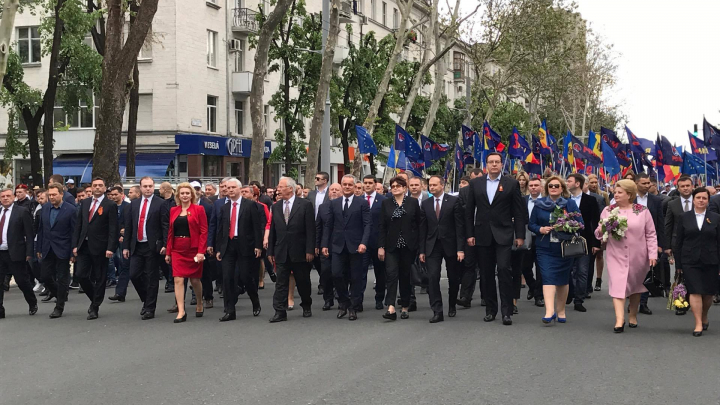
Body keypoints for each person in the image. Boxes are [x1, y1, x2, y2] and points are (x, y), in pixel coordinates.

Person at [464, 152, 526, 325]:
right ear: (486, 165)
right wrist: (469, 234)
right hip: (482, 234)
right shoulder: (476, 183)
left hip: (504, 233)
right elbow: (469, 211)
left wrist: (519, 235)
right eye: (491, 162)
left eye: (497, 162)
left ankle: (507, 311)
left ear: (501, 165)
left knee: (505, 269)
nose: (494, 165)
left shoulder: (511, 183)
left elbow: (518, 212)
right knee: (486, 273)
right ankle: (491, 310)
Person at [594, 179, 657, 333]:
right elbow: (598, 232)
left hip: (638, 255)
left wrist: (653, 253)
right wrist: (603, 228)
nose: (616, 194)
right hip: (616, 254)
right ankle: (619, 319)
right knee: (618, 284)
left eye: (619, 192)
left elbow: (650, 234)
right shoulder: (608, 210)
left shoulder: (642, 210)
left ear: (629, 194)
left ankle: (633, 315)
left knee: (635, 286)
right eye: (615, 192)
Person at [529, 176, 582, 324]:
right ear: (547, 189)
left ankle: (561, 310)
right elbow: (531, 224)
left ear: (562, 188)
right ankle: (549, 311)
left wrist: (566, 226)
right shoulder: (539, 204)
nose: (553, 188)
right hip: (545, 247)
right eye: (551, 186)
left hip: (564, 248)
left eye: (556, 186)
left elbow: (580, 223)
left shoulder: (570, 204)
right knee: (547, 277)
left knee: (562, 280)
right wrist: (540, 229)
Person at [322, 174, 371, 321]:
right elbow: (328, 225)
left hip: (356, 246)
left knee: (355, 278)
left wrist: (364, 242)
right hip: (337, 245)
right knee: (336, 274)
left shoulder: (362, 203)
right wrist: (325, 244)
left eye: (351, 185)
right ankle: (343, 302)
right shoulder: (334, 203)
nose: (348, 187)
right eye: (345, 184)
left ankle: (353, 307)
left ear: (354, 186)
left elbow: (367, 224)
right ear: (342, 185)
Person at [268, 177, 315, 322]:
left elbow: (310, 230)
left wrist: (310, 250)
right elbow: (273, 230)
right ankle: (280, 311)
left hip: (300, 251)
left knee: (303, 282)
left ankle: (306, 304)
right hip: (281, 250)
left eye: (281, 187)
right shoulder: (276, 206)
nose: (278, 189)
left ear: (290, 188)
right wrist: (270, 251)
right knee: (281, 283)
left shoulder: (305, 205)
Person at [674, 187, 720, 336]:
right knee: (694, 290)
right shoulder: (684, 217)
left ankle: (704, 315)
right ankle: (698, 323)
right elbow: (679, 242)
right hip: (690, 260)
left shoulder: (716, 217)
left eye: (704, 198)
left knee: (707, 293)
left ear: (708, 200)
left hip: (711, 260)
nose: (701, 200)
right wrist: (679, 265)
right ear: (693, 200)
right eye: (698, 198)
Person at [215, 179, 262, 321]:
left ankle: (255, 301)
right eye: (228, 188)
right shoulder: (224, 208)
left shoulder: (250, 205)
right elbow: (221, 229)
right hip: (228, 246)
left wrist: (258, 246)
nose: (230, 190)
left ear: (240, 189)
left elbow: (256, 227)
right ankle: (230, 310)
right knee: (227, 277)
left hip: (245, 245)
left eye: (233, 187)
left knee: (246, 277)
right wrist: (218, 248)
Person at [72, 177, 118, 320]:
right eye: (95, 185)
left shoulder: (110, 205)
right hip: (84, 245)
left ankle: (95, 307)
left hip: (101, 247)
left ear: (104, 188)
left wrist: (111, 247)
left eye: (100, 185)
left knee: (100, 277)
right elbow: (78, 225)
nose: (97, 187)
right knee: (81, 275)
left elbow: (113, 228)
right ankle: (95, 298)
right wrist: (75, 244)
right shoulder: (85, 203)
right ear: (91, 188)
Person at [419, 176, 464, 323]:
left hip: (450, 245)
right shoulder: (425, 204)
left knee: (453, 277)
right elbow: (423, 229)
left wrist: (460, 249)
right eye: (429, 185)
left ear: (442, 185)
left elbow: (459, 226)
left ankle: (452, 304)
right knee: (432, 277)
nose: (431, 188)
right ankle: (437, 310)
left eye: (434, 185)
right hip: (432, 246)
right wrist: (422, 250)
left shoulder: (453, 201)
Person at [378, 176, 423, 320]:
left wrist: (419, 246)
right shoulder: (386, 203)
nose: (395, 188)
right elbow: (382, 226)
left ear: (405, 188)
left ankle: (405, 306)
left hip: (408, 246)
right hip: (391, 246)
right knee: (391, 275)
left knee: (405, 276)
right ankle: (390, 307)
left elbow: (419, 225)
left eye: (398, 186)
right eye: (393, 186)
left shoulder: (412, 203)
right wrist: (381, 246)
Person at [165, 183, 208, 323]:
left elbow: (203, 231)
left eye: (187, 193)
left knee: (195, 280)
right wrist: (168, 252)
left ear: (192, 195)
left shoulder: (199, 209)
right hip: (177, 248)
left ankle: (199, 302)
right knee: (178, 279)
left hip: (193, 249)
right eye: (182, 193)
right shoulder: (173, 210)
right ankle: (181, 311)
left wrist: (201, 251)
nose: (184, 195)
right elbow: (170, 232)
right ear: (178, 195)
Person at [123, 177, 164, 320]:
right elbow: (129, 227)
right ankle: (146, 300)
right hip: (137, 245)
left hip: (152, 246)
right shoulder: (133, 205)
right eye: (145, 186)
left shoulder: (161, 204)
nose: (148, 188)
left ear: (154, 187)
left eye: (150, 186)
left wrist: (164, 244)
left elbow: (164, 226)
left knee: (152, 277)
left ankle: (150, 308)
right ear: (140, 188)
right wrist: (126, 246)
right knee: (134, 274)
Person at [36, 183, 77, 319]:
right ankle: (60, 294)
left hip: (63, 249)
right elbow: (41, 230)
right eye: (50, 195)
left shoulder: (71, 210)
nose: (52, 197)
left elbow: (73, 232)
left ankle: (59, 307)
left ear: (61, 194)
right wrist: (39, 248)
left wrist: (73, 252)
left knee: (62, 278)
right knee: (45, 276)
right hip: (47, 248)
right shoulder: (45, 208)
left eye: (54, 194)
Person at [0, 187, 37, 319]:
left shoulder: (21, 211)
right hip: (1, 252)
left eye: (8, 196)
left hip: (16, 252)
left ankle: (32, 302)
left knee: (22, 281)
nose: (5, 198)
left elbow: (29, 233)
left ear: (13, 197)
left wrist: (29, 252)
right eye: (3, 196)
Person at [566, 174, 600, 312]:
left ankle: (579, 299)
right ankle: (570, 292)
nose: (566, 183)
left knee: (582, 271)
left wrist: (596, 243)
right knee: (568, 270)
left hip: (585, 240)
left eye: (569, 181)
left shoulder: (591, 200)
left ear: (577, 184)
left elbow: (595, 222)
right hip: (567, 240)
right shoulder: (564, 200)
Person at [666, 175, 694, 315]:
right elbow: (668, 226)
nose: (685, 188)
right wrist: (667, 246)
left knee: (694, 273)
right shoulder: (672, 204)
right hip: (678, 244)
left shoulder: (699, 201)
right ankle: (681, 303)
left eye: (688, 185)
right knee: (680, 273)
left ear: (692, 186)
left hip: (697, 243)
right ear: (678, 188)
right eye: (682, 186)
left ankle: (695, 299)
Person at [457, 168, 484, 308]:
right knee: (469, 265)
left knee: (486, 266)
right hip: (470, 233)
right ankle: (465, 296)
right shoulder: (464, 192)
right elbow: (462, 212)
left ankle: (486, 296)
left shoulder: (489, 190)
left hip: (486, 233)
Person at [516, 177, 544, 308]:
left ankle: (539, 296)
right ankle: (532, 286)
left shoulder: (546, 202)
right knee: (525, 267)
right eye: (531, 185)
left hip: (541, 238)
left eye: (536, 185)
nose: (533, 187)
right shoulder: (523, 200)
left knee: (540, 268)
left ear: (541, 187)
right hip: (526, 238)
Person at [362, 175, 387, 310]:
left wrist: (382, 245)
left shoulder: (383, 200)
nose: (367, 185)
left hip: (378, 243)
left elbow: (384, 224)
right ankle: (358, 300)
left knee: (380, 272)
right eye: (365, 183)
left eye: (370, 183)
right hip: (362, 244)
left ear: (375, 184)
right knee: (360, 273)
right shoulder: (358, 200)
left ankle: (379, 298)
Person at [316, 182, 342, 310]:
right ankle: (328, 298)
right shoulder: (323, 207)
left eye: (337, 190)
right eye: (332, 190)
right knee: (325, 273)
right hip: (325, 245)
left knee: (339, 273)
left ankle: (341, 295)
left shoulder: (345, 206)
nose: (334, 192)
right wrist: (317, 245)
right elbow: (318, 228)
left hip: (341, 245)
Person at [107, 186, 131, 303]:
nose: (114, 196)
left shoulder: (127, 206)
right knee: (115, 261)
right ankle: (119, 292)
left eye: (116, 194)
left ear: (122, 194)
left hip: (124, 239)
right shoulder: (110, 206)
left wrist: (124, 232)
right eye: (112, 195)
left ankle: (120, 292)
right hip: (112, 238)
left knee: (124, 264)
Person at [158, 182, 176, 294]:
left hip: (171, 234)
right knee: (163, 260)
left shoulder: (174, 203)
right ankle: (170, 281)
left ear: (165, 189)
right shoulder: (162, 203)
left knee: (170, 260)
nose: (159, 191)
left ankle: (171, 282)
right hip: (162, 234)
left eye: (160, 188)